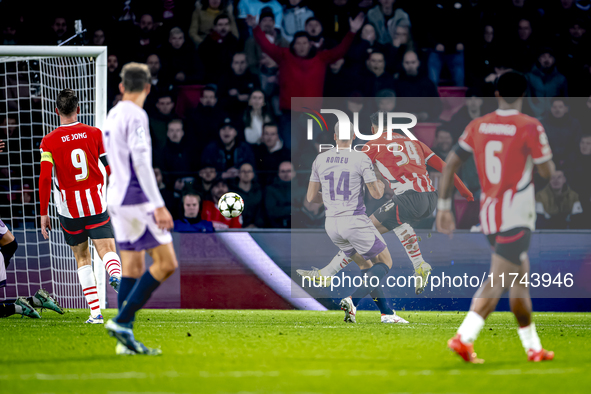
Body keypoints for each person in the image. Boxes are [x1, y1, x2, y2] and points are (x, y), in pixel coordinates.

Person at [436, 71, 556, 363]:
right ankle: (463, 338)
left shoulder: (479, 125)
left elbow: (450, 162)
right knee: (500, 277)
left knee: (518, 280)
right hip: (516, 212)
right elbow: (547, 172)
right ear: (524, 95)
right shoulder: (529, 125)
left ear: (497, 94)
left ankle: (533, 347)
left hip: (489, 213)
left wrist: (443, 206)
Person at [298, 112, 473, 296]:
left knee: (361, 231)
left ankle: (328, 273)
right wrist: (465, 192)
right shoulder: (415, 143)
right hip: (430, 200)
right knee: (399, 223)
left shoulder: (373, 144)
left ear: (372, 129)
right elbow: (445, 167)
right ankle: (420, 264)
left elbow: (349, 166)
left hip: (409, 198)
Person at [102, 63, 178, 355]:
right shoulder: (137, 115)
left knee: (132, 267)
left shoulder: (113, 113)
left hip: (116, 198)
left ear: (121, 87)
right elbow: (142, 162)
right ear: (148, 88)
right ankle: (122, 321)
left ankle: (125, 342)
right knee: (167, 263)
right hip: (137, 199)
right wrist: (159, 205)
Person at [303, 121, 407, 324]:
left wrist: (333, 199)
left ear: (334, 137)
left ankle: (386, 314)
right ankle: (352, 300)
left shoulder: (320, 159)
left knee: (366, 265)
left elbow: (311, 197)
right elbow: (377, 194)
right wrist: (379, 179)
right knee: (385, 262)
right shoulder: (360, 158)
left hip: (331, 225)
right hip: (354, 221)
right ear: (353, 137)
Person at [39, 89, 123, 324]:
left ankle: (95, 314)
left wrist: (43, 212)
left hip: (69, 210)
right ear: (79, 109)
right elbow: (109, 167)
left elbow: (45, 178)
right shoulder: (95, 134)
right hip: (95, 204)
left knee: (82, 258)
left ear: (56, 111)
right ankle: (115, 275)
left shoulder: (48, 141)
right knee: (107, 250)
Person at [394, 51, 441, 122]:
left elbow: (437, 105)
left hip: (425, 122)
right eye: (407, 63)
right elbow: (392, 106)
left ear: (418, 63)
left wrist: (428, 114)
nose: (410, 65)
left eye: (413, 62)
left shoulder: (428, 83)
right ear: (403, 64)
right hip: (403, 122)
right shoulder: (396, 84)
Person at [198, 14, 240, 84]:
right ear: (215, 27)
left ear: (229, 26)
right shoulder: (207, 43)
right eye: (220, 25)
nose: (223, 27)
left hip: (230, 79)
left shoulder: (234, 42)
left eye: (226, 24)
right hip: (211, 79)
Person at [218, 52, 261, 117]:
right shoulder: (225, 79)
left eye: (242, 62)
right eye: (236, 63)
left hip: (251, 112)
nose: (239, 66)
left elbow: (260, 97)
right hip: (230, 113)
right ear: (232, 65)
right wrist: (236, 98)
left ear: (247, 63)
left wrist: (249, 98)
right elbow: (220, 100)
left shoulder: (254, 78)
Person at [230, 163, 265, 228]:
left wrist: (255, 225)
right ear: (238, 174)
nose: (246, 174)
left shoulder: (259, 191)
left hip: (256, 229)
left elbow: (261, 212)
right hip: (236, 230)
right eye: (243, 171)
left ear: (253, 174)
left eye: (249, 171)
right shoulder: (231, 192)